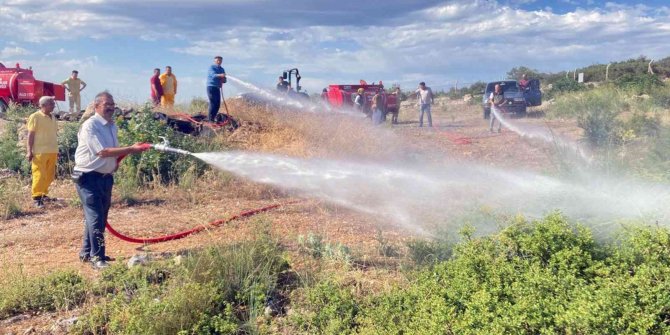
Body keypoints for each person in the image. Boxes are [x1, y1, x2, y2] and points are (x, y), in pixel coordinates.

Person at [73, 91, 150, 269]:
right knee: (95, 217)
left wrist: (114, 164)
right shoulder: (90, 126)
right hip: (88, 178)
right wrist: (131, 148)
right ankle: (97, 258)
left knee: (99, 216)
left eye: (112, 104)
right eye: (107, 104)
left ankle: (86, 253)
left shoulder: (111, 126)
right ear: (96, 105)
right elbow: (102, 151)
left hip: (105, 178)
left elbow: (112, 151)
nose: (111, 107)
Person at [26, 96, 59, 209]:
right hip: (39, 151)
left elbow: (53, 134)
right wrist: (29, 151)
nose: (54, 105)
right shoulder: (35, 117)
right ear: (43, 105)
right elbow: (30, 135)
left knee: (49, 175)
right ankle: (37, 198)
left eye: (53, 103)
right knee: (39, 174)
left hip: (52, 150)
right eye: (51, 103)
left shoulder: (53, 117)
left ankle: (44, 194)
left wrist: (56, 149)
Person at [207, 56, 227, 121]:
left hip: (217, 88)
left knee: (218, 104)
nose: (219, 62)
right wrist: (220, 75)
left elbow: (224, 80)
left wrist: (224, 79)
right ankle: (210, 120)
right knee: (213, 103)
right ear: (215, 61)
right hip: (211, 87)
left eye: (220, 60)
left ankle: (213, 118)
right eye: (217, 60)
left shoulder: (222, 69)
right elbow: (213, 75)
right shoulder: (212, 67)